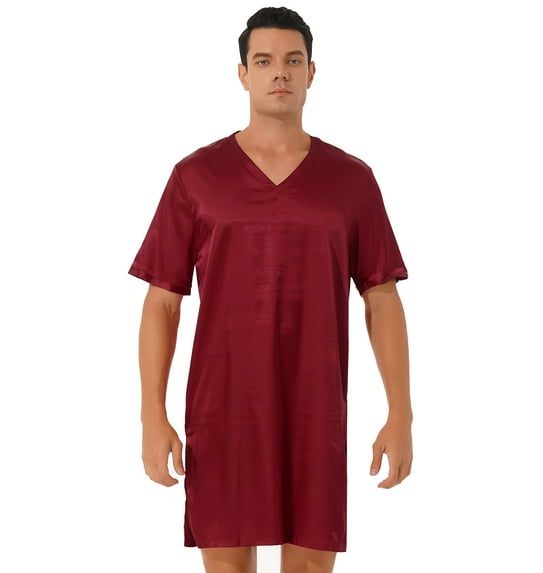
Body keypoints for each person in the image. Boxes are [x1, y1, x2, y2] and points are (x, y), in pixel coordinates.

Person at [128, 6, 413, 573]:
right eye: (263, 61)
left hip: (315, 415)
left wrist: (401, 414)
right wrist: (151, 415)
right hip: (223, 412)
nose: (279, 71)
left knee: (308, 569)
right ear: (243, 74)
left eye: (292, 60)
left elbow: (381, 298)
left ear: (311, 72)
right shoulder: (195, 176)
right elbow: (162, 302)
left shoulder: (351, 180)